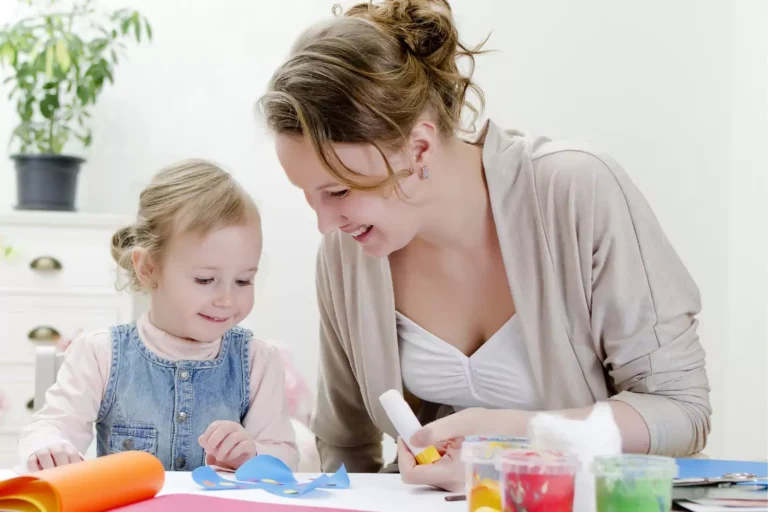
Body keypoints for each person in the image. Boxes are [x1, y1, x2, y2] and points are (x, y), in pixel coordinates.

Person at [259, 0, 711, 492]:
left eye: (339, 191)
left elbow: (681, 410)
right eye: (309, 196)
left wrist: (513, 439)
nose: (325, 223)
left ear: (420, 147)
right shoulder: (349, 254)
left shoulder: (575, 193)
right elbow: (346, 447)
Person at [18, 160, 298, 473]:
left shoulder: (258, 362)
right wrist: (49, 448)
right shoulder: (101, 355)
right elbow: (51, 426)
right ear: (149, 269)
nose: (228, 299)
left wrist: (253, 454)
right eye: (205, 280)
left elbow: (284, 455)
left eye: (244, 280)